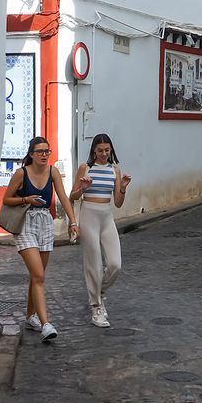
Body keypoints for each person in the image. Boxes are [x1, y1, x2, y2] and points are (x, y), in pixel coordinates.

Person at [2, 136, 77, 341]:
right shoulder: (21, 173)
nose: (44, 155)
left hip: (45, 223)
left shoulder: (53, 172)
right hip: (25, 223)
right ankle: (45, 324)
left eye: (47, 151)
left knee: (37, 276)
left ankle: (29, 317)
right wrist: (26, 199)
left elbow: (63, 197)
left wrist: (73, 221)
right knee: (38, 276)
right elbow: (7, 198)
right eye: (40, 152)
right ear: (31, 154)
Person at [70, 133, 131, 327]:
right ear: (94, 151)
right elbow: (72, 196)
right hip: (89, 214)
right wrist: (83, 188)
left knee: (115, 264)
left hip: (107, 216)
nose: (104, 153)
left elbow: (119, 203)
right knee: (93, 263)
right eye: (100, 150)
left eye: (107, 150)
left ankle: (100, 291)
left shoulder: (115, 170)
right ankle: (96, 308)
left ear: (111, 149)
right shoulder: (86, 168)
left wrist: (122, 188)